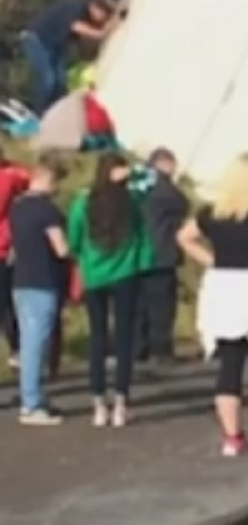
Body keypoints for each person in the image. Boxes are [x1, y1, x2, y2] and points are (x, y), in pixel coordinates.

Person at [178, 152, 248, 458]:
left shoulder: (213, 212)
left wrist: (212, 260)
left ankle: (233, 437)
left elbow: (184, 237)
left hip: (224, 287)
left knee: (230, 366)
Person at [67, 152, 155, 428]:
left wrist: (81, 259)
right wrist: (144, 264)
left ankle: (97, 402)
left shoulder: (83, 203)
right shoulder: (132, 203)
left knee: (98, 336)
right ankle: (121, 402)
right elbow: (144, 239)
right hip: (126, 273)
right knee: (124, 338)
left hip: (94, 275)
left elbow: (74, 239)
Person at [9, 152, 70, 425]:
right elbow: (61, 248)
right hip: (43, 280)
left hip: (20, 279)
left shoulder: (17, 206)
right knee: (35, 344)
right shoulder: (48, 210)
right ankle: (31, 404)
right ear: (51, 179)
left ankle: (32, 396)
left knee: (27, 342)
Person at [137, 147, 190, 364]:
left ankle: (137, 348)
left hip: (138, 254)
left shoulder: (138, 187)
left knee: (139, 305)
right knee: (162, 306)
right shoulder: (164, 190)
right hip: (162, 252)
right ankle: (160, 350)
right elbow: (183, 204)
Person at [21, 0, 114, 115]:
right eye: (104, 13)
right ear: (94, 7)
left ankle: (53, 113)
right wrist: (100, 33)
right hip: (37, 39)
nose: (104, 18)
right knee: (49, 79)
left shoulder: (88, 16)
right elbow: (77, 27)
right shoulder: (77, 8)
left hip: (55, 44)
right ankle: (39, 114)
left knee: (60, 81)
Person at [0, 147, 31, 366]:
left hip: (5, 246)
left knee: (6, 302)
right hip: (9, 244)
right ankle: (17, 347)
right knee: (10, 302)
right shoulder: (14, 174)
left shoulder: (8, 177)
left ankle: (17, 347)